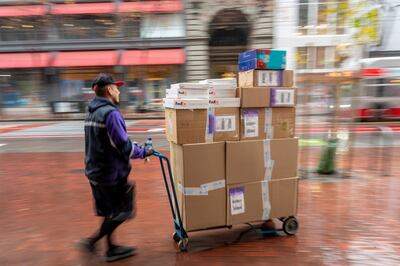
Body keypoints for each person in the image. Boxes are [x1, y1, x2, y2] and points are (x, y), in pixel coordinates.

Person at [78, 73, 153, 262]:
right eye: (116, 87)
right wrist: (144, 152)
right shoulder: (111, 113)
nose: (119, 90)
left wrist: (133, 146)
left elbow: (108, 141)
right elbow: (123, 146)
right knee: (123, 211)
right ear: (110, 90)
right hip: (110, 173)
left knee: (110, 211)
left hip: (96, 171)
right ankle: (92, 241)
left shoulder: (92, 112)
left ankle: (111, 248)